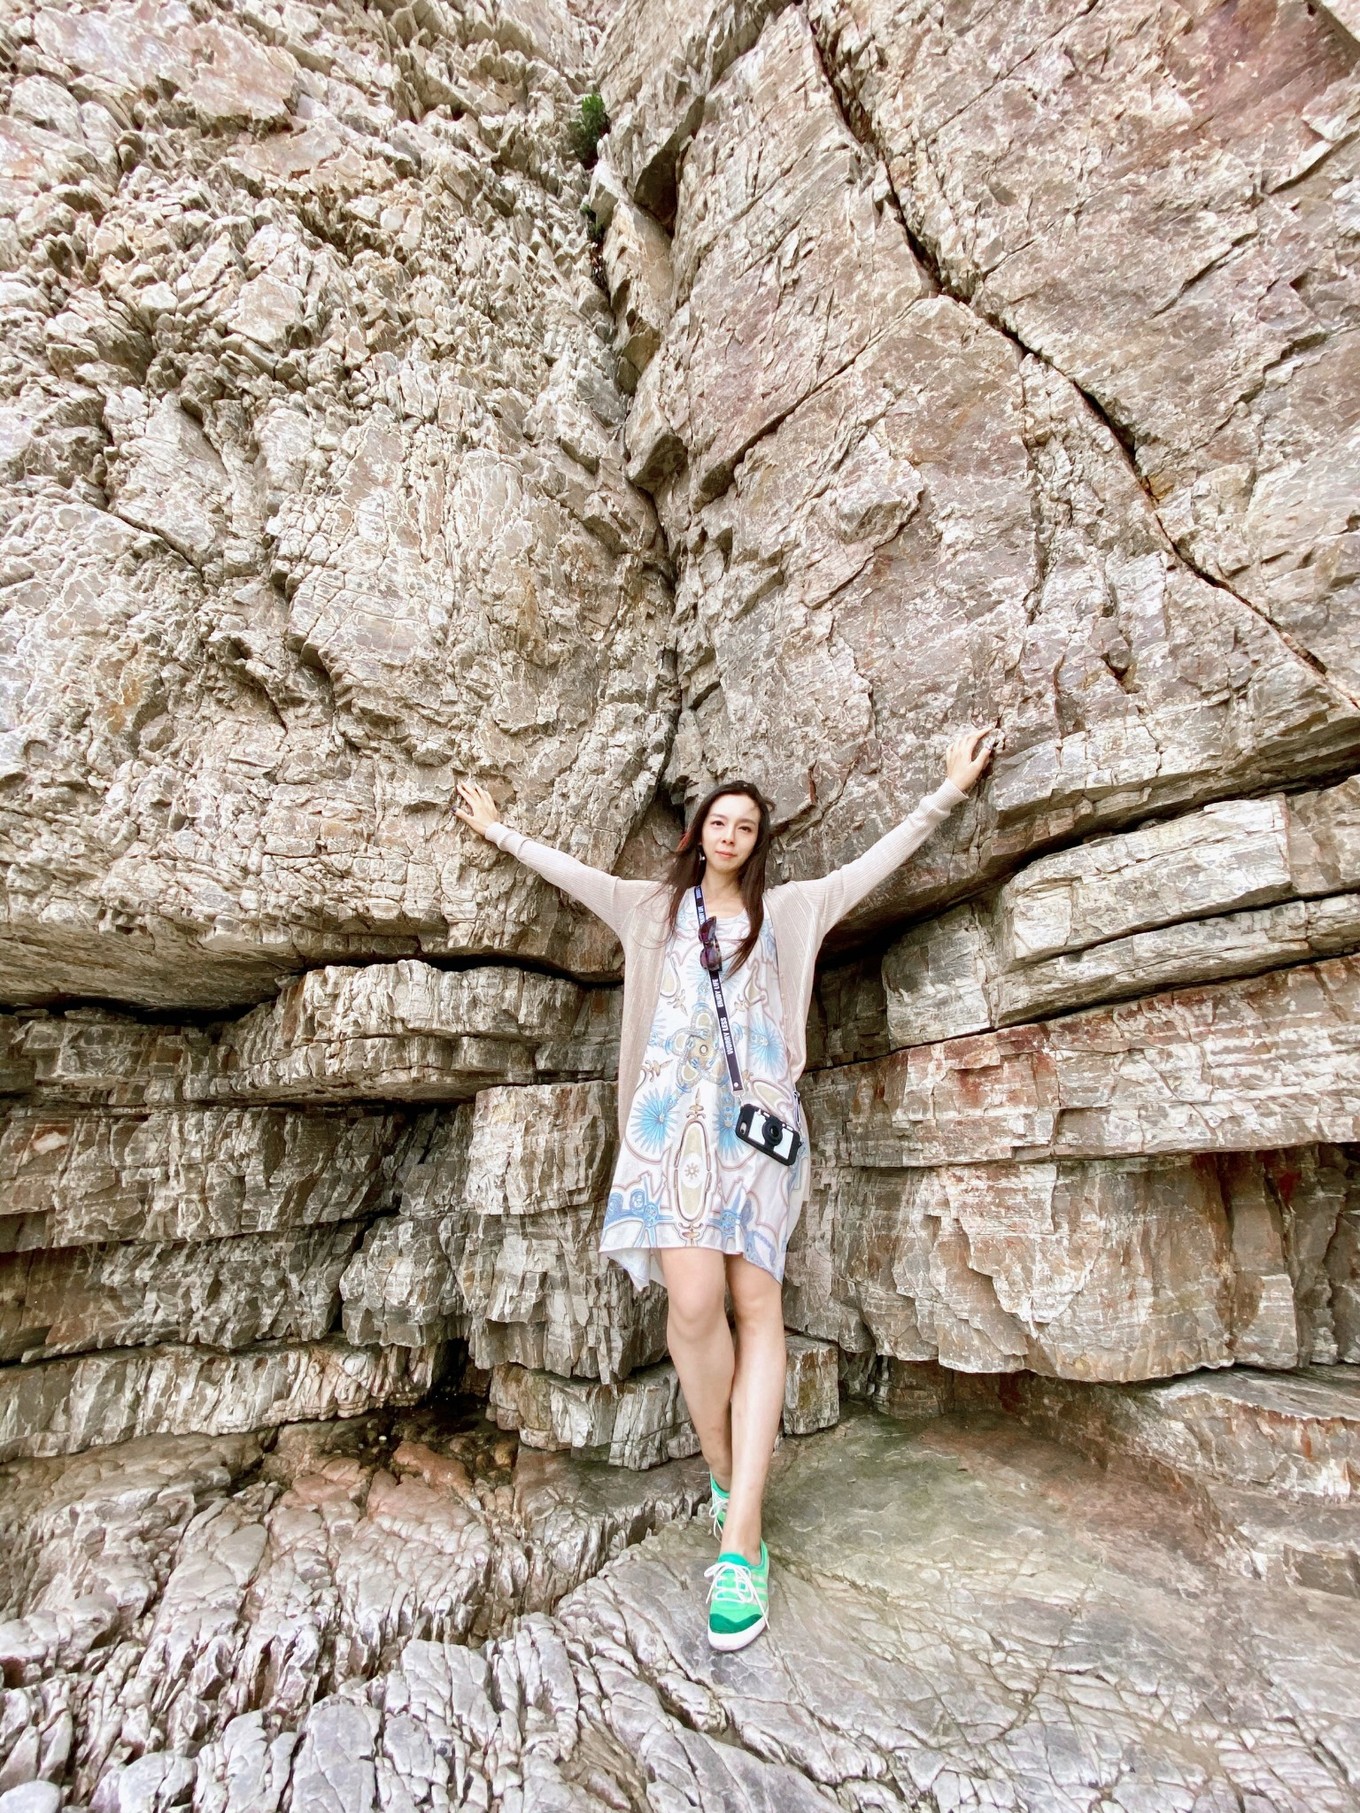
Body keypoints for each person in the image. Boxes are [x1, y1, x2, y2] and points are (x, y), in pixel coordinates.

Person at [454, 729, 993, 1650]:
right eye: (719, 821)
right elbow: (569, 874)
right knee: (694, 1303)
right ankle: (722, 1465)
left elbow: (878, 862)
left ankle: (742, 1537)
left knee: (756, 1302)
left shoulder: (791, 910)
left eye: (746, 825)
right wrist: (501, 833)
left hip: (757, 1131)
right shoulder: (650, 910)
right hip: (667, 1128)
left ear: (758, 839)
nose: (731, 834)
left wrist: (947, 793)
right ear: (698, 831)